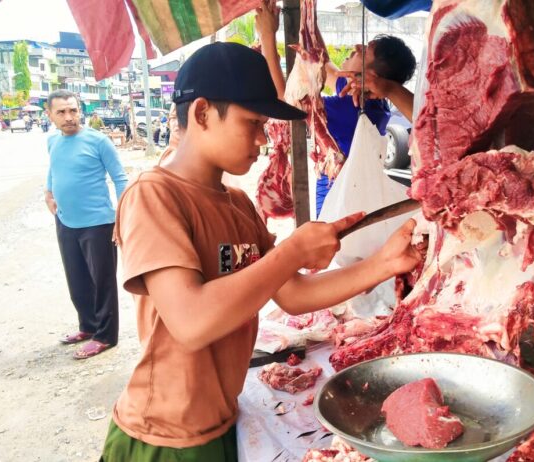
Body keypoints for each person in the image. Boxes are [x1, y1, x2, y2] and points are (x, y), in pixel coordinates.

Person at [100, 42, 421, 462]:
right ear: (202, 113)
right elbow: (191, 321)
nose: (261, 140)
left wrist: (383, 264)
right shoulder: (154, 195)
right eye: (252, 123)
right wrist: (292, 251)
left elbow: (292, 293)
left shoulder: (238, 203)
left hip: (221, 420)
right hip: (161, 436)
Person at [255, 0, 416, 216]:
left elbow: (285, 100)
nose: (357, 47)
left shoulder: (353, 107)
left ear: (371, 77)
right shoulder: (369, 100)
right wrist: (308, 12)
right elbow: (326, 64)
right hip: (350, 197)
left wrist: (267, 36)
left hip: (337, 205)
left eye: (364, 51)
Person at [44, 89, 128, 359]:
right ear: (50, 115)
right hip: (66, 221)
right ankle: (88, 326)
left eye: (73, 110)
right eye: (61, 112)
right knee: (77, 280)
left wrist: (121, 217)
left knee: (102, 283)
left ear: (80, 111)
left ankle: (105, 336)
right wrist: (48, 191)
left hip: (98, 224)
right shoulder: (52, 141)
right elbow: (53, 168)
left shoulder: (98, 141)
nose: (69, 117)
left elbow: (120, 179)